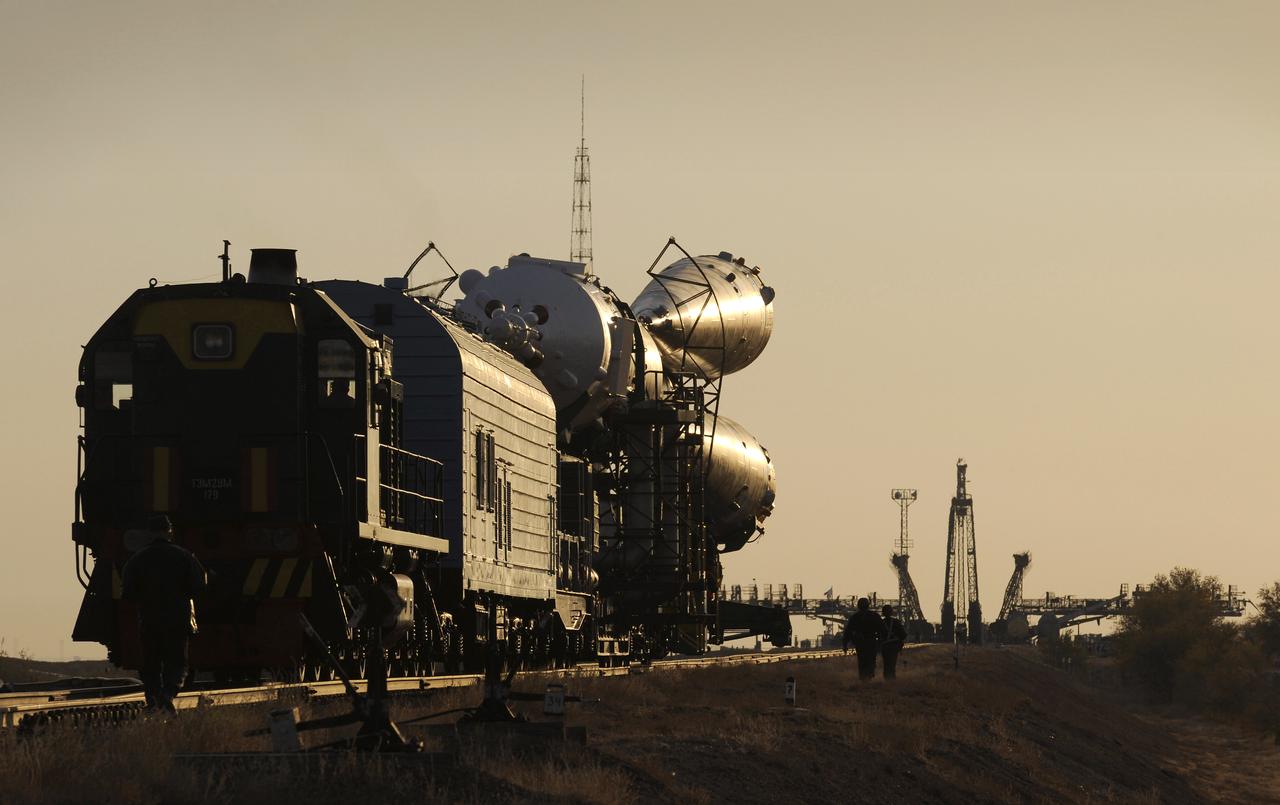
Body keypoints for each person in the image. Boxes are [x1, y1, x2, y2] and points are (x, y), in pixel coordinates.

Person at [121, 515, 207, 713]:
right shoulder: (186, 557)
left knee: (151, 662)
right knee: (176, 662)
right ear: (169, 531)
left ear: (149, 534)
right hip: (178, 619)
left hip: (149, 619)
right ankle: (167, 694)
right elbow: (199, 587)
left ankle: (153, 699)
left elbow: (128, 593)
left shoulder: (137, 559)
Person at [843, 597, 887, 680]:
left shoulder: (855, 617)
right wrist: (881, 642)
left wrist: (845, 644)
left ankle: (864, 678)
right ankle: (869, 676)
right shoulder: (874, 616)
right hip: (871, 642)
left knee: (862, 661)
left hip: (860, 643)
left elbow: (848, 632)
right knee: (871, 660)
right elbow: (883, 630)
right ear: (868, 605)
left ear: (858, 606)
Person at [881, 604, 908, 679]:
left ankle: (886, 679)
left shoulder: (881, 623)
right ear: (891, 612)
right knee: (892, 664)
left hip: (884, 647)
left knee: (886, 664)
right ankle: (892, 679)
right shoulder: (896, 622)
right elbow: (903, 635)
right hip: (894, 646)